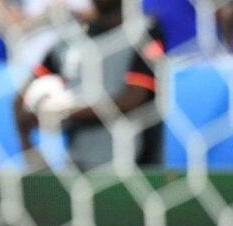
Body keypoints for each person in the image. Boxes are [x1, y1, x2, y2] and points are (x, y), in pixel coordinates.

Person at [14, 0, 165, 172]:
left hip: (137, 168)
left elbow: (133, 98)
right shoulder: (70, 40)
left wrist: (66, 110)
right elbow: (20, 101)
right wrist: (30, 150)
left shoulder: (146, 31)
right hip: (79, 167)